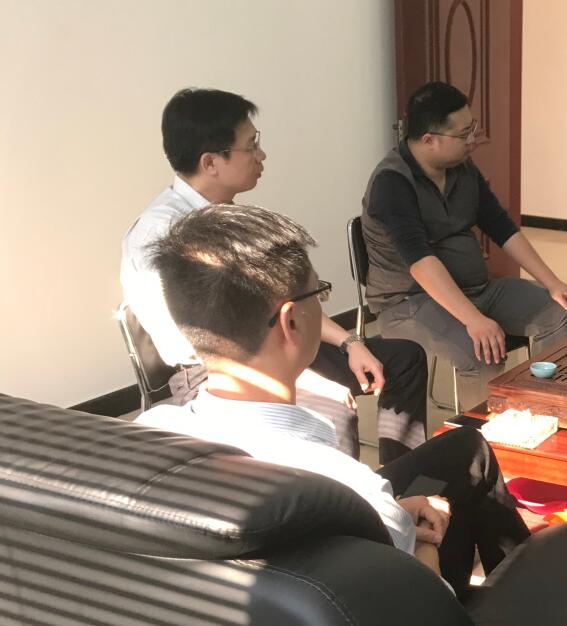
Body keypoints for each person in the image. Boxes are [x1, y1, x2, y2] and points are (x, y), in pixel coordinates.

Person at [136, 203, 529, 594]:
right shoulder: (347, 488)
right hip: (394, 612)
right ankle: (521, 594)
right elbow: (430, 605)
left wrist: (395, 511)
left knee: (467, 445)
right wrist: (419, 541)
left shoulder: (149, 432)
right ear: (292, 321)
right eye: (319, 292)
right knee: (452, 517)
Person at [121, 87, 429, 463]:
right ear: (210, 162)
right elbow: (207, 344)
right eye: (251, 146)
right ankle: (340, 496)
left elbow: (290, 299)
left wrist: (350, 342)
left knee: (403, 359)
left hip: (273, 343)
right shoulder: (162, 235)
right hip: (214, 370)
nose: (261, 155)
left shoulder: (225, 215)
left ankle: (402, 478)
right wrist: (300, 378)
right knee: (331, 412)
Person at [361, 81, 567, 409]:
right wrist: (473, 319)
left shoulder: (461, 168)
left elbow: (502, 227)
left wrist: (553, 283)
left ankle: (542, 408)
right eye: (464, 134)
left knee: (559, 312)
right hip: (409, 303)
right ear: (429, 140)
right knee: (482, 351)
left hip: (477, 290)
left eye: (472, 128)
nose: (473, 140)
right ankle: (479, 434)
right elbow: (421, 263)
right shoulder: (392, 182)